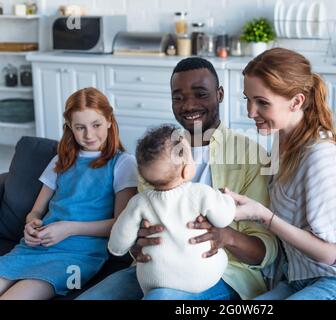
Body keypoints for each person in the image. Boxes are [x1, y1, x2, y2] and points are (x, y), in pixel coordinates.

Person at [77, 57, 278, 300]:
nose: (188, 105)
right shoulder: (157, 154)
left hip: (223, 273)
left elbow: (266, 251)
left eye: (200, 94)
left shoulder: (251, 155)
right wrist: (136, 244)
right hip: (154, 270)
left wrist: (225, 236)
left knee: (161, 297)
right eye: (178, 97)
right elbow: (133, 228)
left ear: (220, 94)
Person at [224, 47, 336, 300]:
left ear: (297, 101)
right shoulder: (281, 142)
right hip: (300, 280)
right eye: (247, 99)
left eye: (262, 102)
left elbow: (329, 254)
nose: (250, 112)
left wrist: (263, 215)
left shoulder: (319, 155)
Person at [0, 87, 138, 299]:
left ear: (110, 121)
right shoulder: (60, 160)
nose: (89, 134)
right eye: (80, 127)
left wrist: (68, 229)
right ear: (70, 128)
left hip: (79, 256)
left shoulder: (123, 164)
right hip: (35, 247)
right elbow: (36, 211)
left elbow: (120, 225)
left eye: (96, 125)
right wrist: (31, 224)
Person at [108, 124, 236, 296]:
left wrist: (126, 245)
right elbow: (224, 218)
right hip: (202, 275)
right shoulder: (201, 192)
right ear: (186, 169)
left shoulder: (139, 202)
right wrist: (226, 198)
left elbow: (117, 245)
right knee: (218, 260)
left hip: (153, 279)